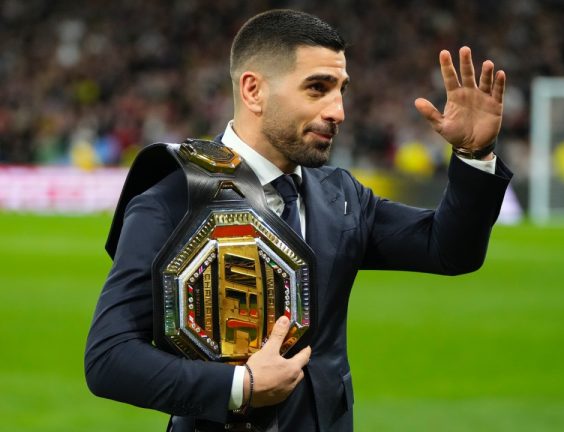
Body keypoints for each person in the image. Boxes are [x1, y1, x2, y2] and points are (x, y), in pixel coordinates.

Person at [85, 9, 512, 432]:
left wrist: (474, 156)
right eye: (317, 88)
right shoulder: (174, 199)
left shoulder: (341, 196)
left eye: (341, 90)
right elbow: (109, 357)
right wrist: (241, 387)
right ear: (254, 91)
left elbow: (448, 249)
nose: (338, 111)